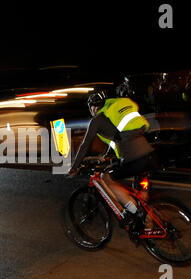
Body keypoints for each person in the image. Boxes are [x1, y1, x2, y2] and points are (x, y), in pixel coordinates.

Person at [67, 89, 158, 229]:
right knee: (141, 191)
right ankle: (149, 228)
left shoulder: (97, 119)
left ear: (93, 107)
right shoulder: (114, 114)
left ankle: (134, 211)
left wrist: (74, 167)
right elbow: (117, 138)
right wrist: (105, 156)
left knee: (106, 178)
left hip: (133, 157)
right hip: (148, 154)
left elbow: (85, 145)